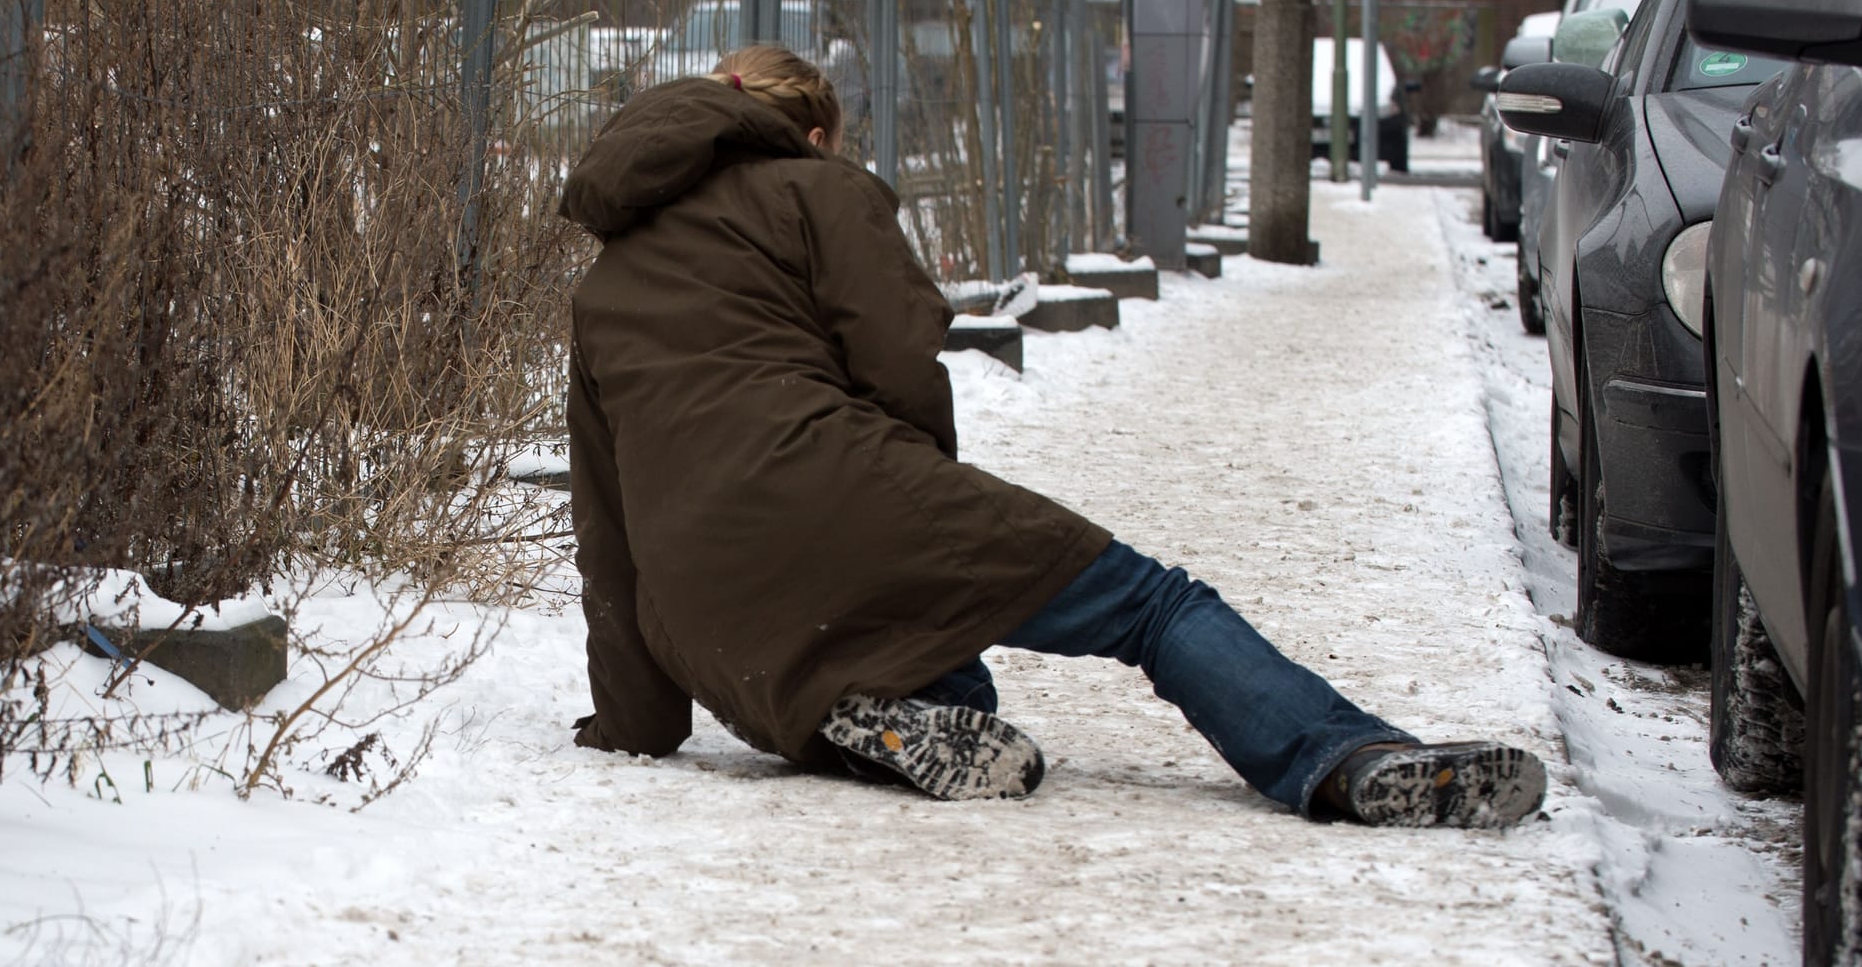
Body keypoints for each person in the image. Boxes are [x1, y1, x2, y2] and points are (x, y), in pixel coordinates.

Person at [558, 45, 1547, 828]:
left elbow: (604, 532)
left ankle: (861, 723)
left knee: (953, 683)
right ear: (809, 134)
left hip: (705, 614)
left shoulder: (603, 289)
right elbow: (899, 359)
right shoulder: (820, 190)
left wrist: (637, 724)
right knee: (1153, 606)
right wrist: (916, 509)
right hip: (838, 489)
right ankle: (1345, 760)